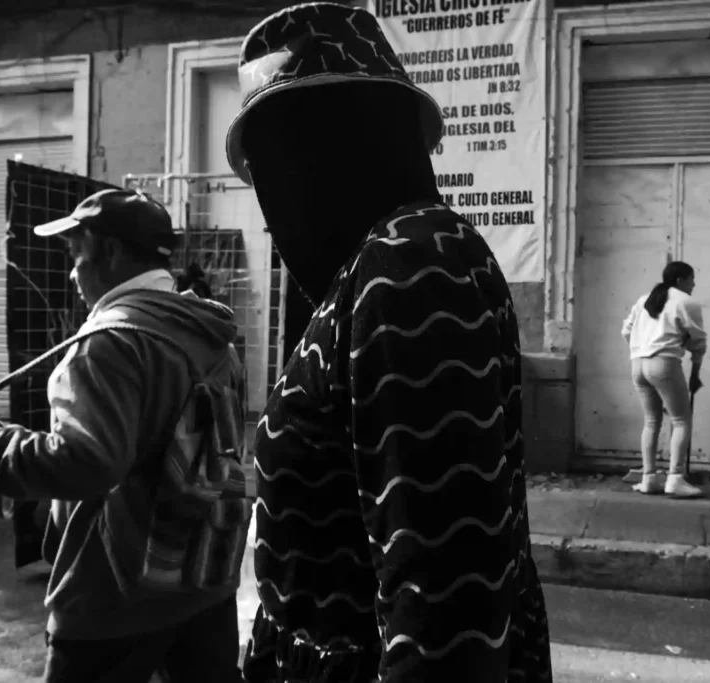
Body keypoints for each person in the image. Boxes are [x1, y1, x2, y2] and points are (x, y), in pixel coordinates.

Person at [226, 4, 552, 682]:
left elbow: (445, 607)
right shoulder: (367, 272)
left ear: (341, 142)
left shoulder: (410, 263)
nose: (271, 197)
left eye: (279, 158)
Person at [0, 188, 247, 682]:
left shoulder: (108, 344)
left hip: (115, 601)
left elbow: (86, 464)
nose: (71, 273)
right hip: (204, 582)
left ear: (111, 253)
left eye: (75, 255)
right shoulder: (210, 332)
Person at [621, 261, 707, 497]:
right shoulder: (686, 302)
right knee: (681, 420)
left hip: (638, 364)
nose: (694, 284)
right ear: (680, 280)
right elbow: (698, 341)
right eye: (691, 278)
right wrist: (695, 372)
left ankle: (649, 479)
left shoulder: (645, 299)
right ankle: (675, 478)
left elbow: (626, 330)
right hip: (663, 364)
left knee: (651, 421)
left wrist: (641, 348)